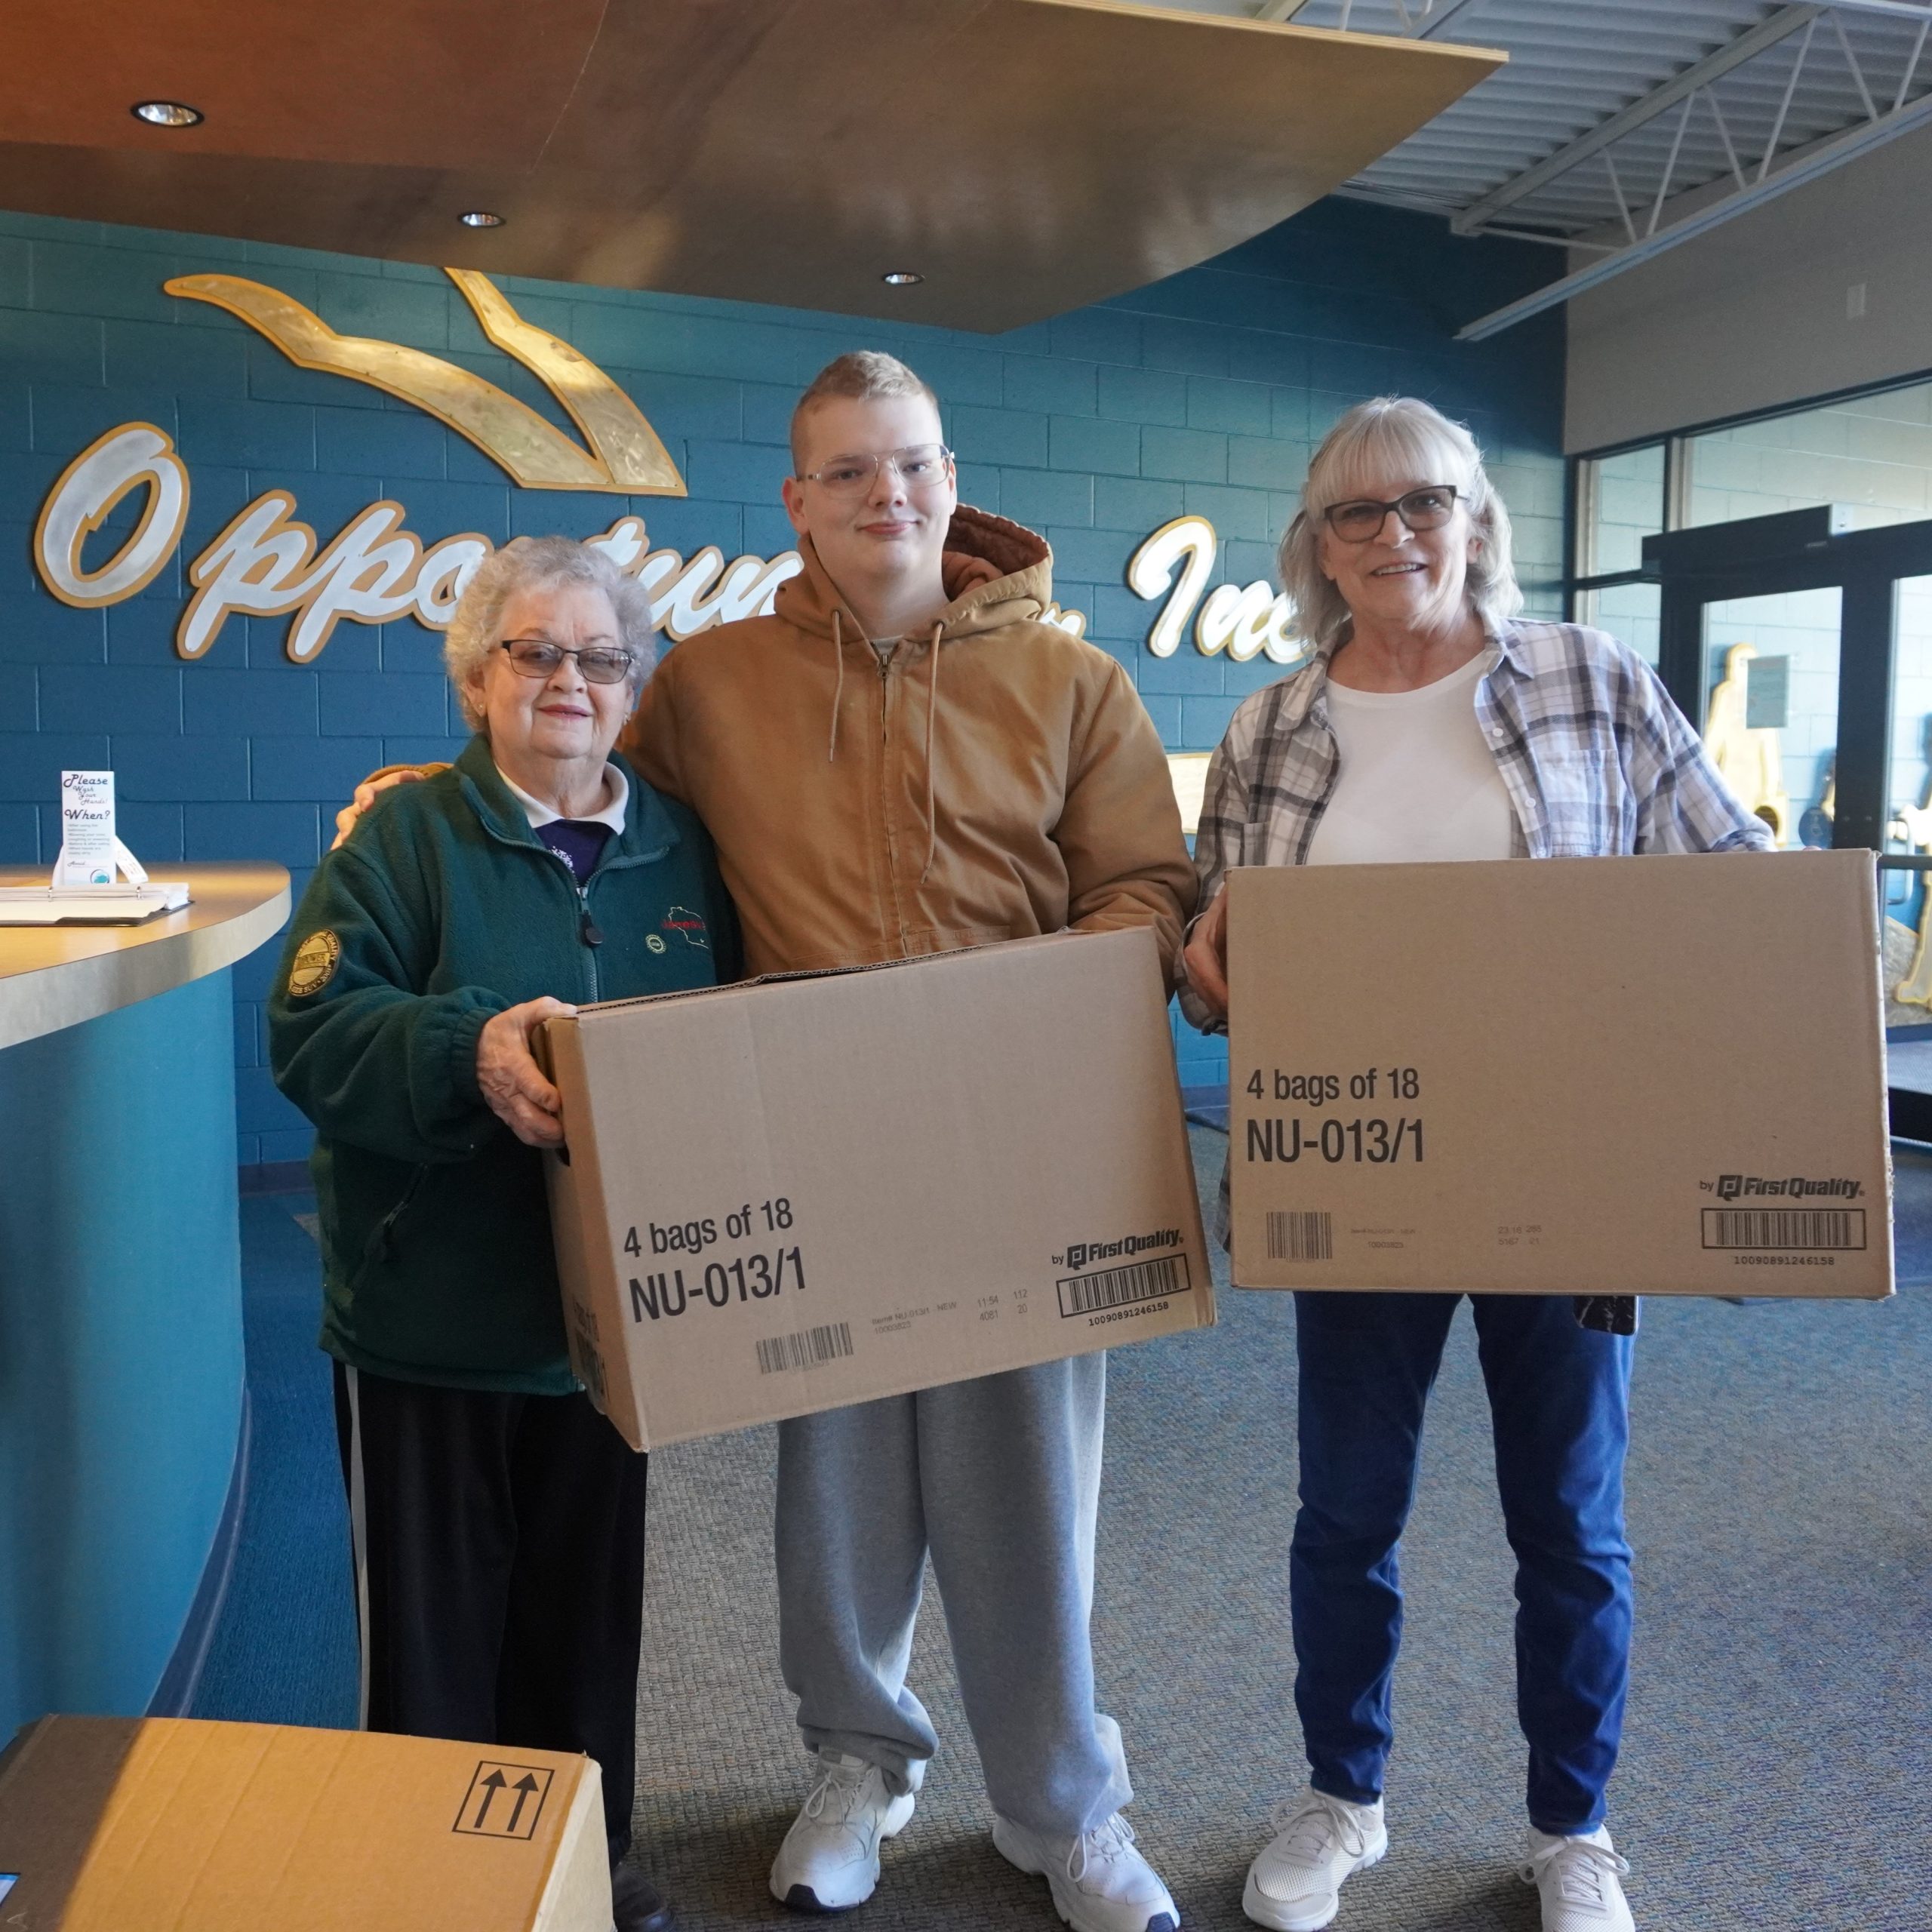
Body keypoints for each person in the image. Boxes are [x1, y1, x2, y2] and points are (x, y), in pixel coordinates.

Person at [337, 352, 1195, 1932]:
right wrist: (432, 792)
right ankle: (859, 1759)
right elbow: (590, 791)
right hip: (815, 1148)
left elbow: (1146, 887)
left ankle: (1061, 1805)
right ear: (797, 500)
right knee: (840, 1496)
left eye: (912, 462)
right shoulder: (716, 684)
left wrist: (1039, 1000)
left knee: (1027, 1493)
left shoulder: (1074, 683)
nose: (887, 493)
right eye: (849, 469)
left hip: (1020, 1147)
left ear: (952, 479)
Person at [1180, 396, 1770, 1932]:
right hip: (1358, 1171)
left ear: (1475, 521)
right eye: (1357, 513)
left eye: (1424, 502)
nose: (1394, 534)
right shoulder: (1267, 728)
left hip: (1563, 1176)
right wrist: (1207, 961)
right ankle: (1342, 1796)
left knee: (1568, 1522)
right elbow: (1214, 954)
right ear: (1318, 548)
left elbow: (1733, 885)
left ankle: (1572, 1827)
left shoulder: (1590, 681)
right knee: (1344, 1510)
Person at [272, 537, 740, 1932]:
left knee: (584, 1629)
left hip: (609, 1334)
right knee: (434, 1649)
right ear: (477, 679)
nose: (568, 681)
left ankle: (578, 1866)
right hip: (430, 1320)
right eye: (534, 652)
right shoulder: (404, 838)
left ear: (633, 685)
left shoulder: (682, 848)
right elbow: (310, 1029)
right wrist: (465, 1051)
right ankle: (434, 1889)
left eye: (600, 657)